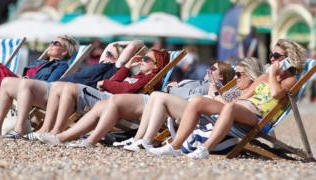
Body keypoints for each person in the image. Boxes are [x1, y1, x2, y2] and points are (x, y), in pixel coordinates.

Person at [149, 39, 306, 159]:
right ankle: (175, 146)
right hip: (241, 108)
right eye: (271, 55)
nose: (272, 59)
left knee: (231, 108)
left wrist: (272, 74)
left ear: (288, 58)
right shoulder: (264, 77)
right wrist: (219, 98)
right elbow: (244, 97)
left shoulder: (290, 81)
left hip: (258, 118)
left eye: (276, 56)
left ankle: (205, 148)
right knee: (198, 101)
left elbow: (276, 94)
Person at [36, 62, 235, 147]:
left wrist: (214, 91)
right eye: (210, 66)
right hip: (156, 99)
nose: (209, 70)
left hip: (166, 105)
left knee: (114, 101)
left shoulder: (215, 91)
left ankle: (88, 141)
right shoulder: (193, 81)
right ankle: (63, 136)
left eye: (214, 69)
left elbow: (213, 107)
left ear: (222, 76)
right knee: (107, 103)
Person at [0, 40, 144, 138]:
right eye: (106, 52)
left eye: (110, 54)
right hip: (54, 88)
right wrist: (114, 44)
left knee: (26, 84)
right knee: (7, 82)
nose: (105, 55)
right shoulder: (97, 65)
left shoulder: (113, 69)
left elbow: (134, 45)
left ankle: (20, 128)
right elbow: (110, 46)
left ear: (118, 59)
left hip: (64, 94)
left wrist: (126, 44)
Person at [121, 57, 264, 151]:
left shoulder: (245, 93)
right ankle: (141, 139)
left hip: (206, 116)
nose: (236, 78)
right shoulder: (237, 89)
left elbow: (230, 107)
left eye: (239, 75)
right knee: (155, 96)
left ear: (250, 75)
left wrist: (214, 94)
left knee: (159, 96)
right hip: (204, 113)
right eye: (235, 75)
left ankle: (145, 141)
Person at [34, 48, 169, 141]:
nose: (141, 61)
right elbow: (115, 81)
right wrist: (127, 67)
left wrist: (105, 84)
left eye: (146, 59)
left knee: (69, 88)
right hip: (108, 96)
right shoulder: (137, 75)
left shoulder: (150, 78)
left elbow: (127, 90)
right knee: (58, 88)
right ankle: (47, 129)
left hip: (113, 101)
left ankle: (56, 130)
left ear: (156, 66)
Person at [0, 35, 78, 135]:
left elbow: (51, 84)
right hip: (25, 86)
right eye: (51, 42)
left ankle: (19, 128)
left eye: (56, 43)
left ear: (64, 51)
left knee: (1, 70)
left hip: (41, 94)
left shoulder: (61, 65)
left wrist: (27, 80)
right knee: (6, 81)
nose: (51, 45)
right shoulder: (40, 62)